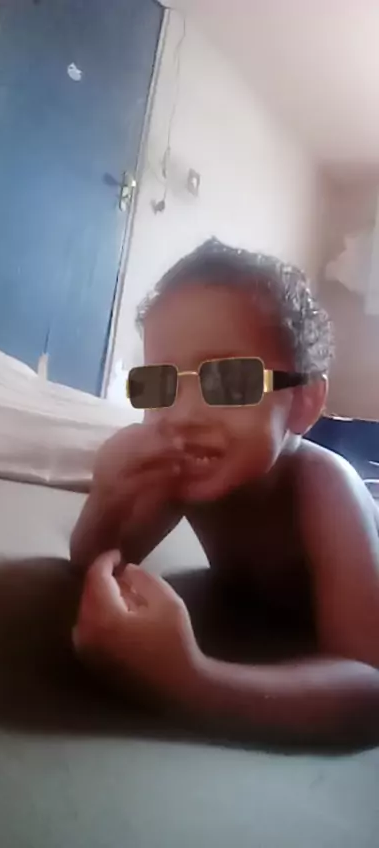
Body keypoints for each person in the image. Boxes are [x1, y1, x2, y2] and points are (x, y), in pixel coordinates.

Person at [70, 239, 379, 747]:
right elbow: (100, 560)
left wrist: (193, 680)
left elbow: (368, 681)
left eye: (230, 381)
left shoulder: (324, 487)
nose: (182, 414)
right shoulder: (185, 472)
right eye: (161, 383)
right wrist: (108, 497)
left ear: (304, 402)